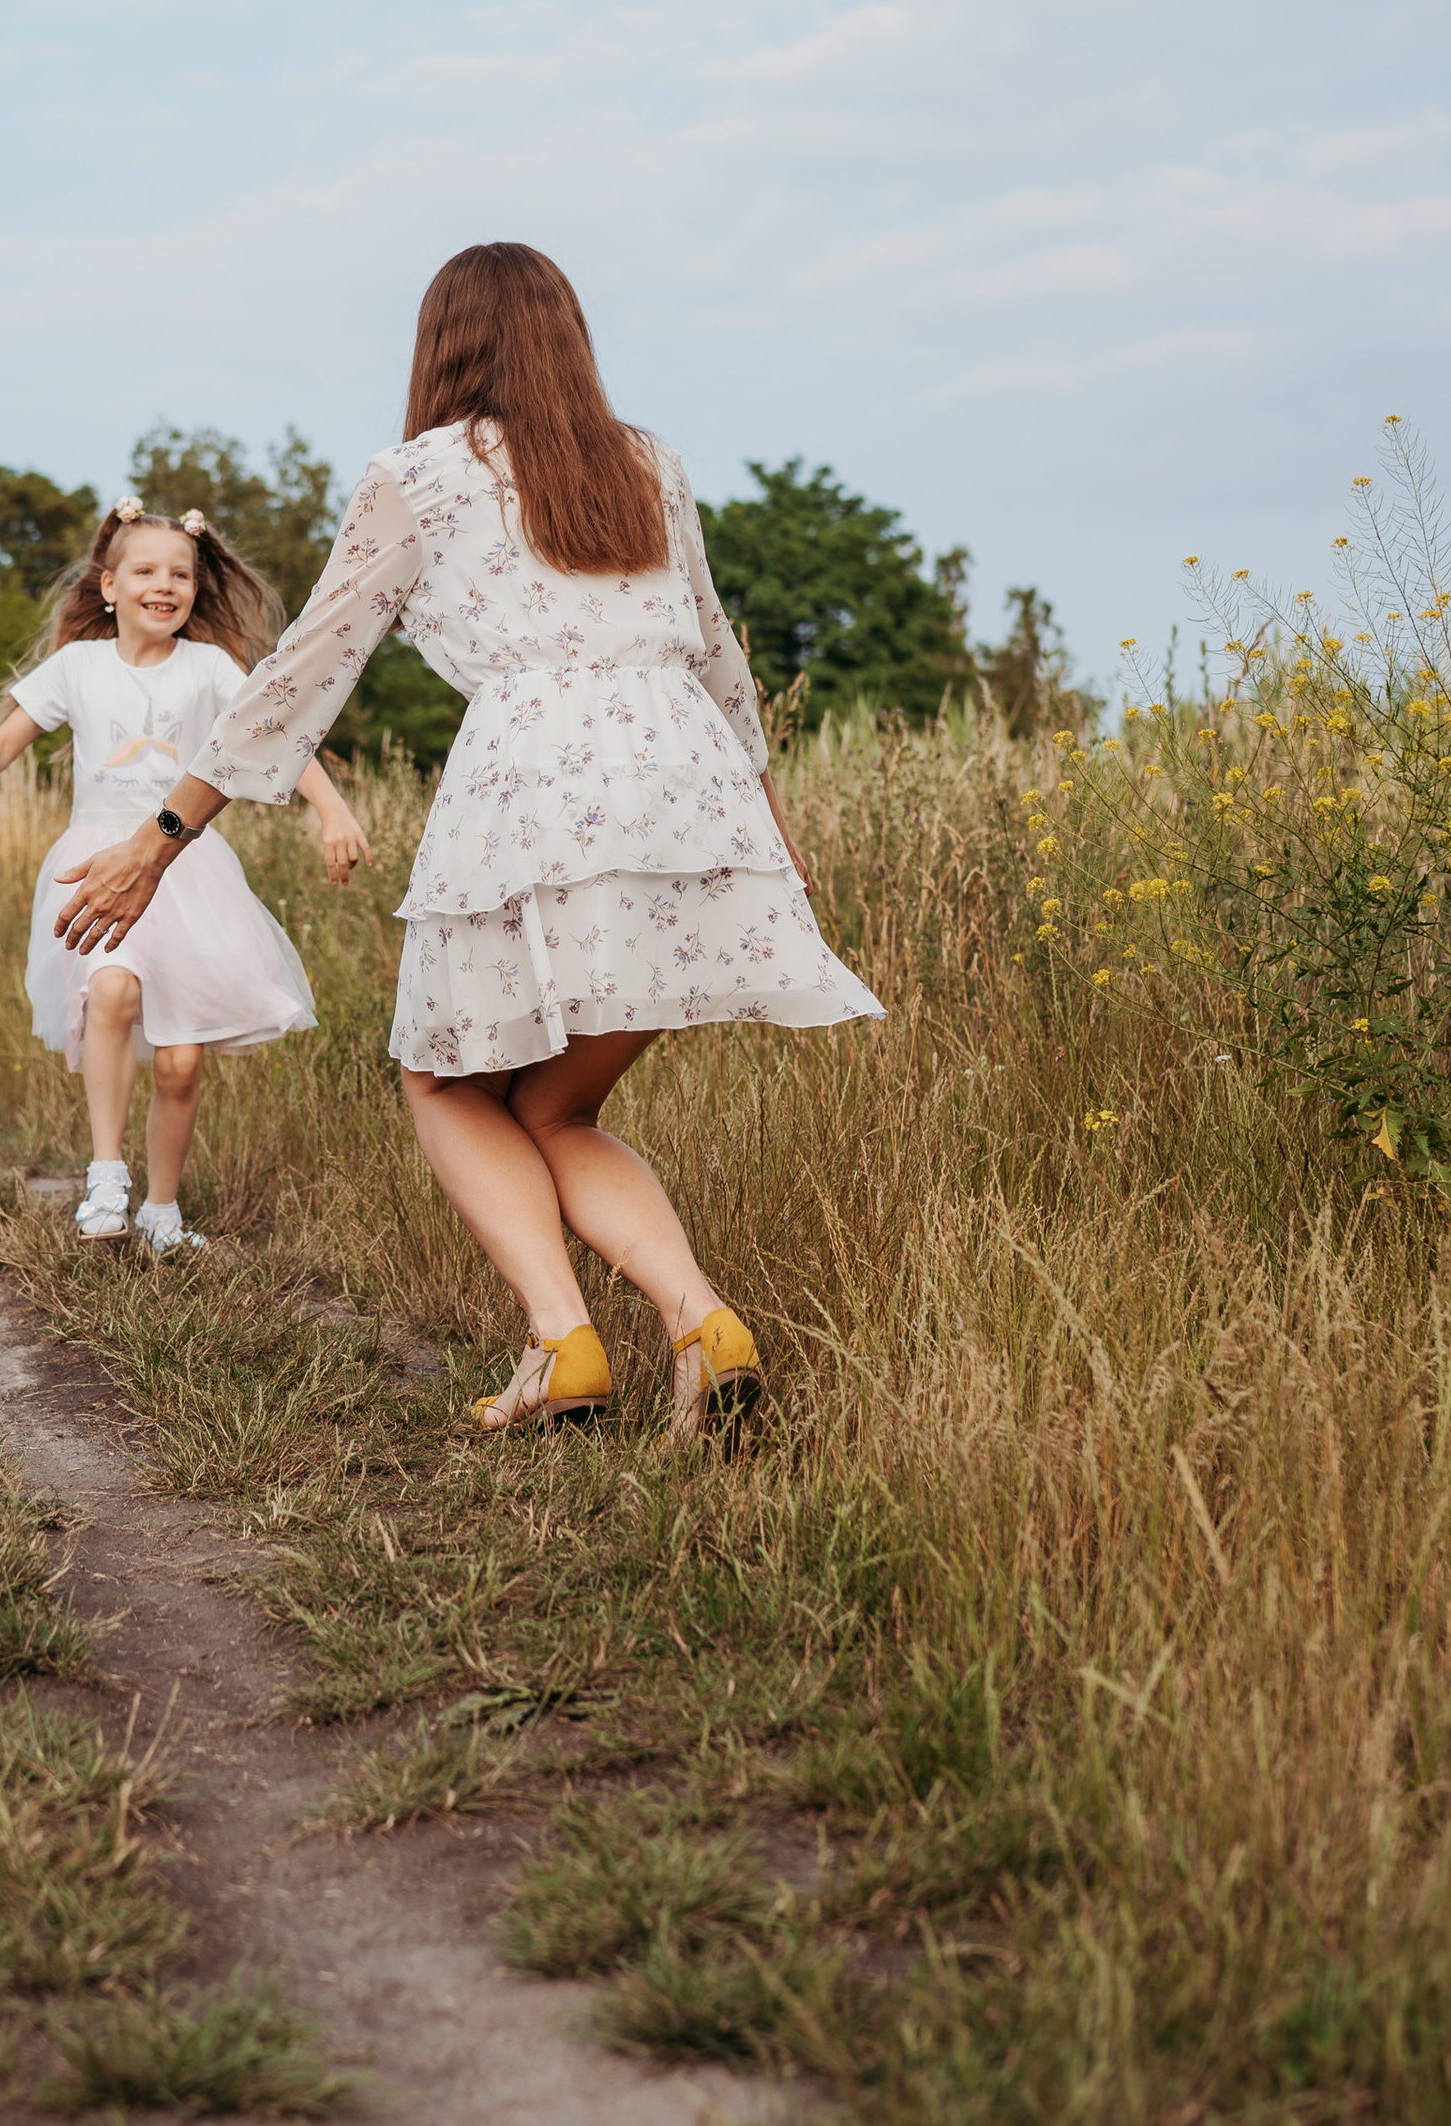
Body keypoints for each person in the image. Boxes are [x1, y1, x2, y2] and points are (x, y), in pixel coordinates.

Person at [50, 246, 881, 1430]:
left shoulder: (418, 475)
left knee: (442, 1080)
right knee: (553, 1110)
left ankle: (564, 1344)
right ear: (567, 337)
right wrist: (771, 836)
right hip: (689, 788)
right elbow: (714, 655)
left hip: (533, 787)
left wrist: (160, 837)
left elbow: (303, 674)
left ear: (443, 345)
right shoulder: (649, 463)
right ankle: (703, 1321)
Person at [0, 498, 371, 1254]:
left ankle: (162, 1213)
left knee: (179, 1063)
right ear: (108, 585)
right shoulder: (76, 666)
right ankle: (107, 1175)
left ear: (195, 589)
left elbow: (275, 737)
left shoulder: (208, 668)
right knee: (110, 988)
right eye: (144, 571)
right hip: (99, 863)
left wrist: (331, 812)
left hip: (189, 869)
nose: (164, 585)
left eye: (181, 573)